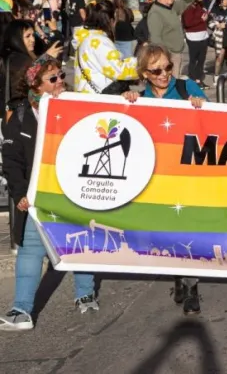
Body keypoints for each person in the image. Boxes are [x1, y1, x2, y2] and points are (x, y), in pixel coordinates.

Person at [0, 58, 98, 331]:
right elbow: (11, 160)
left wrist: (129, 96)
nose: (60, 82)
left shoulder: (75, 104)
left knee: (79, 242)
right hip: (38, 194)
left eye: (61, 76)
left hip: (74, 190)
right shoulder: (18, 114)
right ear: (35, 85)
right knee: (31, 248)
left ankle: (85, 294)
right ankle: (21, 310)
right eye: (52, 79)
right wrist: (20, 192)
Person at [122, 45, 206, 315]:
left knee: (187, 230)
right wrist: (126, 101)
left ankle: (192, 289)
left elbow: (215, 122)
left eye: (168, 67)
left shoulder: (185, 88)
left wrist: (201, 105)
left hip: (186, 173)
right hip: (155, 176)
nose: (164, 74)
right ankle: (177, 277)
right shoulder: (140, 97)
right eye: (156, 70)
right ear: (144, 73)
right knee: (165, 231)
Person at [72, 0, 138, 94]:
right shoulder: (98, 41)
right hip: (97, 99)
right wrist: (143, 64)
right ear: (110, 20)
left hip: (87, 94)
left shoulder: (87, 38)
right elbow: (117, 69)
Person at [2, 20, 62, 118]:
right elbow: (25, 79)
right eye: (27, 36)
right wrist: (45, 58)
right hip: (20, 114)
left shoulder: (10, 55)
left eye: (33, 35)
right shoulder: (19, 59)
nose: (33, 39)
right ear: (16, 39)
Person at [146, 0, 194, 77]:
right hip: (168, 56)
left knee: (174, 83)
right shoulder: (155, 13)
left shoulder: (172, 7)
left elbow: (190, 0)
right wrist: (165, 59)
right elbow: (156, 40)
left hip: (176, 54)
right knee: (171, 84)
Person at [181, 0, 210, 87]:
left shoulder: (200, 5)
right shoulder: (188, 8)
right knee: (194, 60)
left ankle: (199, 79)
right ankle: (193, 79)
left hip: (203, 36)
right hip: (193, 37)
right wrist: (201, 20)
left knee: (201, 60)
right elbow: (188, 23)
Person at [208, 0, 227, 79]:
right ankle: (216, 76)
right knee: (219, 58)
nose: (226, 0)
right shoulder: (215, 10)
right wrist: (217, 25)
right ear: (220, 0)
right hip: (220, 37)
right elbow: (209, 22)